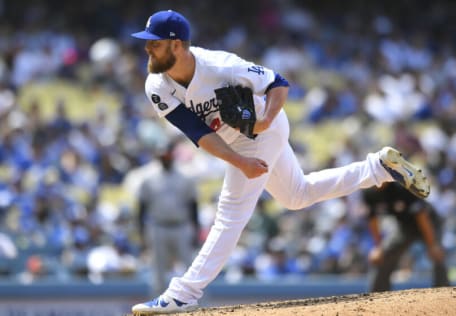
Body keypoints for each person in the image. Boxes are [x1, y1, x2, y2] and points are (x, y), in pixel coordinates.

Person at [129, 10, 430, 314]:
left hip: (264, 130)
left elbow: (278, 82)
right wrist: (238, 161)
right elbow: (198, 133)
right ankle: (378, 168)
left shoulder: (220, 66)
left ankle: (183, 293)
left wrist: (265, 120)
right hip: (235, 142)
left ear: (177, 44)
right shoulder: (157, 85)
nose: (147, 48)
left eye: (154, 43)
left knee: (230, 213)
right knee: (297, 195)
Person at [137, 141, 199, 295]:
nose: (165, 158)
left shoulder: (185, 178)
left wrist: (195, 230)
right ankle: (157, 305)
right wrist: (141, 233)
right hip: (158, 227)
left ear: (172, 156)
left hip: (181, 227)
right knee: (158, 270)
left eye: (167, 155)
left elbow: (193, 206)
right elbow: (141, 208)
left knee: (191, 269)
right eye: (162, 156)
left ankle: (196, 305)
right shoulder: (149, 179)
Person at [362, 182, 449, 292]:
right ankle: (377, 296)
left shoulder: (402, 186)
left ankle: (444, 293)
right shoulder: (369, 191)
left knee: (437, 254)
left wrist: (432, 245)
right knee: (383, 255)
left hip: (429, 223)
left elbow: (421, 215)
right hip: (404, 227)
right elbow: (372, 219)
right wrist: (378, 247)